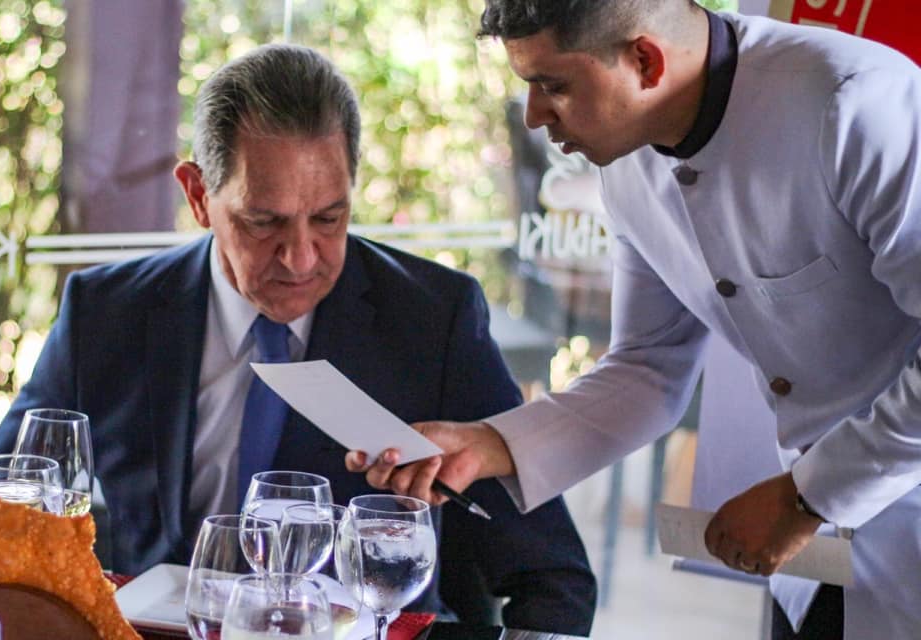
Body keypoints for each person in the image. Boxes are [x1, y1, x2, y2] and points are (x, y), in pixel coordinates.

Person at [0, 44, 597, 634]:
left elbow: (553, 577)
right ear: (198, 196)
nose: (300, 258)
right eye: (263, 222)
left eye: (329, 218)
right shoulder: (108, 313)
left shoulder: (433, 321)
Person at [350, 2, 921, 639]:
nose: (534, 115)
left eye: (553, 85)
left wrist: (805, 496)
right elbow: (649, 368)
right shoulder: (624, 156)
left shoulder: (854, 103)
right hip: (816, 564)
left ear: (645, 61)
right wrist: (491, 444)